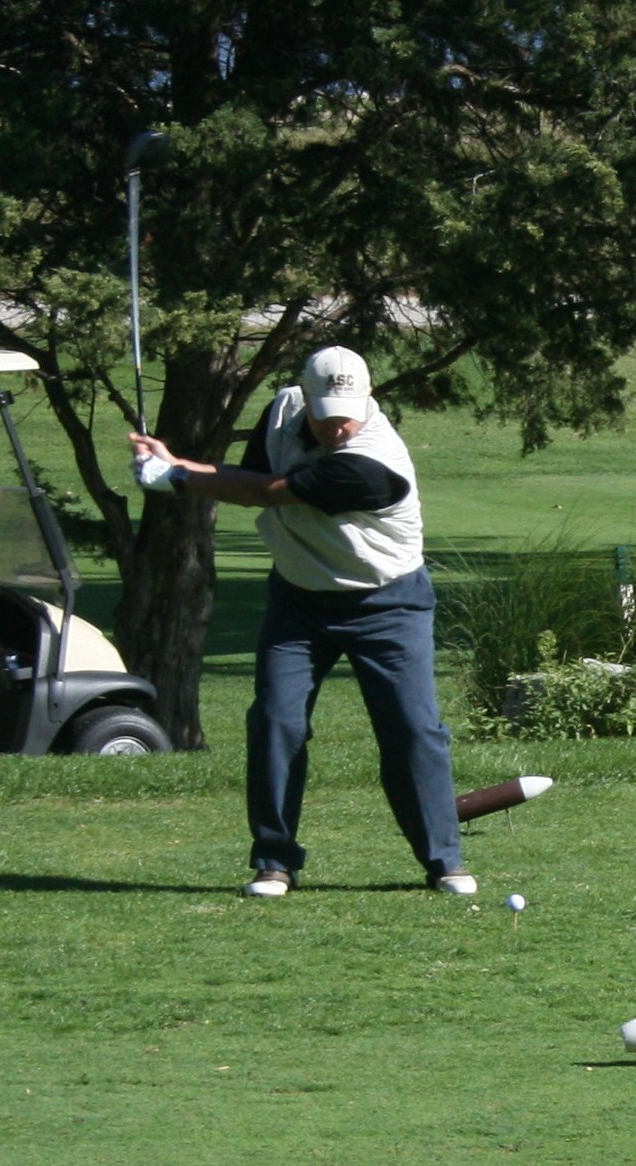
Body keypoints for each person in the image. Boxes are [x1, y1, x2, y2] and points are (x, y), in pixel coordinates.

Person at [130, 345, 474, 899]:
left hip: (387, 603)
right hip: (298, 600)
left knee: (413, 730)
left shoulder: (371, 461)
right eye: (326, 414)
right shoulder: (283, 409)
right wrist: (174, 463)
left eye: (348, 415)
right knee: (275, 722)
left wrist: (176, 478)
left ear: (369, 400)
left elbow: (264, 493)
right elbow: (250, 472)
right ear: (306, 400)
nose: (338, 427)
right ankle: (274, 862)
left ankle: (444, 861)